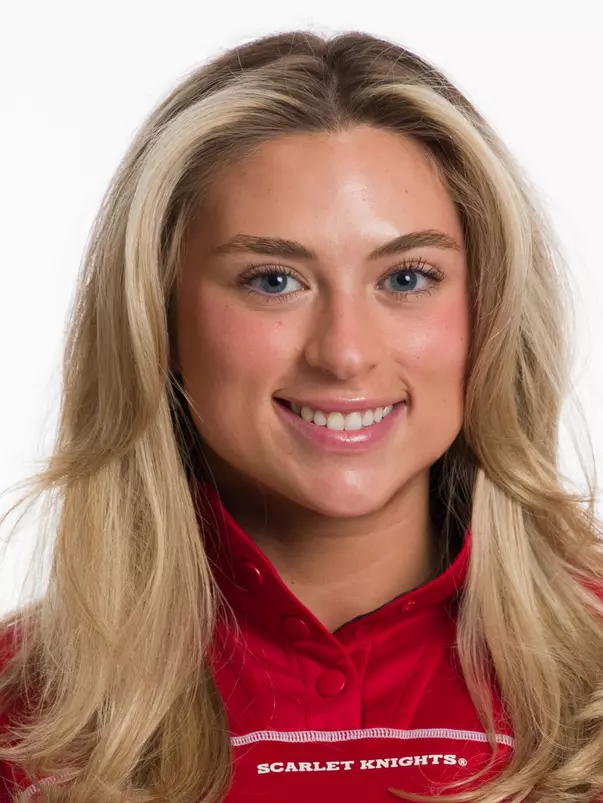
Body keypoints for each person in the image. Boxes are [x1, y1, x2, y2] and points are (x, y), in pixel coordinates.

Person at [0, 28, 602, 803]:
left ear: (488, 312)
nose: (344, 353)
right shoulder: (20, 715)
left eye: (406, 277)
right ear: (159, 318)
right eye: (273, 280)